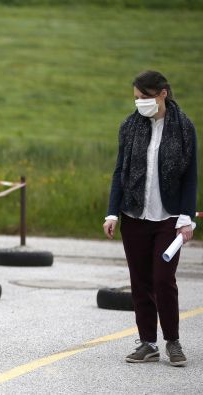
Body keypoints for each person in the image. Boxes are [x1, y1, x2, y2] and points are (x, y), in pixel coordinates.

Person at [103, 70, 197, 367]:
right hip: (134, 216)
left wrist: (186, 218)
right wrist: (112, 212)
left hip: (168, 217)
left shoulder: (184, 128)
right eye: (136, 98)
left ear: (162, 94)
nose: (139, 103)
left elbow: (191, 177)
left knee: (163, 279)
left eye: (144, 98)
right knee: (140, 281)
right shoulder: (129, 127)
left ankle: (173, 341)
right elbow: (120, 172)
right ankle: (147, 343)